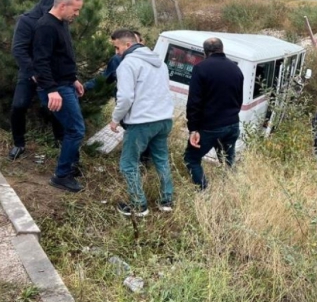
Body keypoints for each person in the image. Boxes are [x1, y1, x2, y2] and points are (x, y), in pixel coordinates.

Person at [108, 30, 174, 217]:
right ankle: (166, 201)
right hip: (163, 120)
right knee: (161, 160)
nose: (117, 52)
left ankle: (138, 205)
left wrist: (115, 119)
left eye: (117, 47)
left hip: (142, 122)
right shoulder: (159, 63)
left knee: (128, 163)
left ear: (128, 45)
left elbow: (126, 97)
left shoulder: (128, 64)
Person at [32, 0, 86, 193]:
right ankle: (61, 175)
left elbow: (61, 58)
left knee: (71, 128)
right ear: (62, 5)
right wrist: (52, 90)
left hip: (65, 84)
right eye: (76, 9)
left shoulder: (61, 24)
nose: (77, 14)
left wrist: (73, 79)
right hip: (56, 89)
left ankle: (71, 166)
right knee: (76, 130)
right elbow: (41, 62)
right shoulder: (45, 26)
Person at [8, 0, 65, 161]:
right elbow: (18, 49)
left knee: (56, 107)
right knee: (19, 105)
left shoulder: (59, 20)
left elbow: (63, 49)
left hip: (52, 73)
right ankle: (18, 143)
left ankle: (60, 141)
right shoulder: (27, 20)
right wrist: (33, 71)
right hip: (30, 72)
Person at [184, 37, 244, 190]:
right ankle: (232, 192)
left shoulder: (201, 68)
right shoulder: (235, 69)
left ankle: (204, 192)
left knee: (191, 158)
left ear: (205, 52)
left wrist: (193, 128)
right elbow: (239, 99)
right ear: (222, 49)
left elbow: (194, 102)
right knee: (228, 162)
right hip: (232, 124)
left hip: (210, 126)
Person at [85, 31, 153, 164]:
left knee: (139, 135)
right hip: (139, 108)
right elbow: (105, 78)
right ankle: (140, 161)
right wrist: (85, 87)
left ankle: (137, 162)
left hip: (140, 107)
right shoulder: (119, 59)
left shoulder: (145, 60)